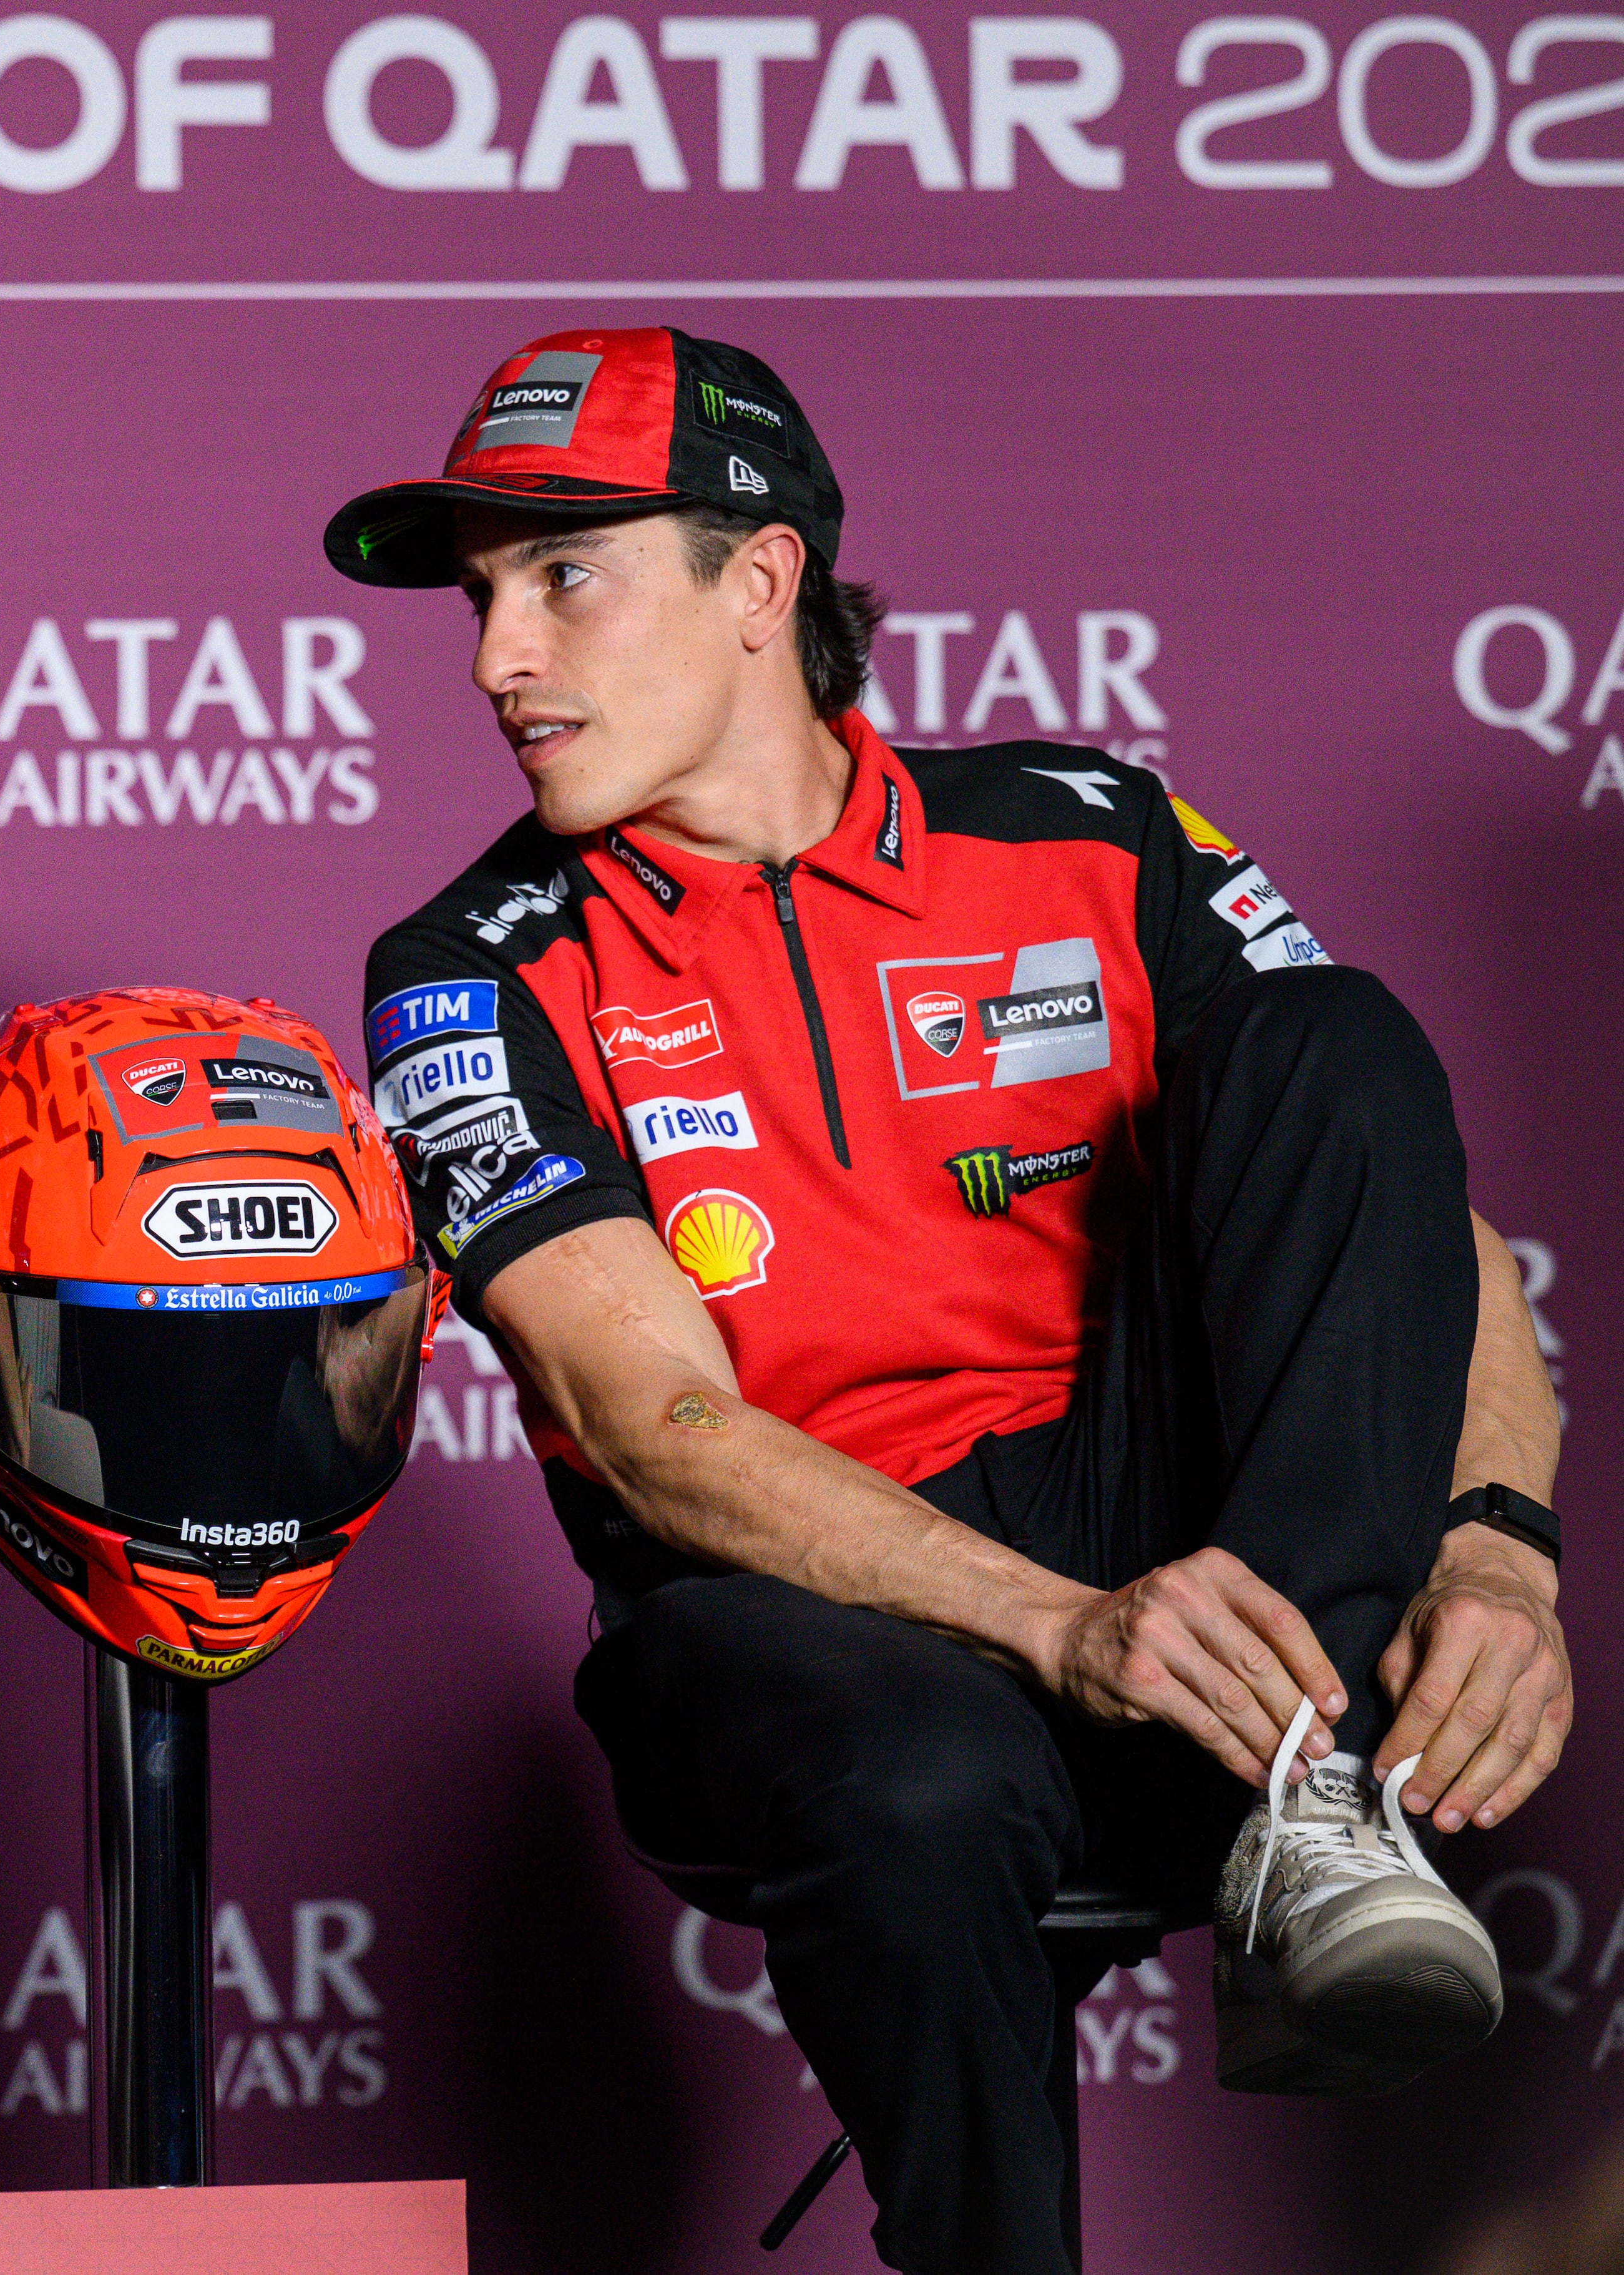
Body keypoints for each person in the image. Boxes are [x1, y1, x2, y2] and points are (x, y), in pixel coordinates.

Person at [328, 327, 1571, 2273]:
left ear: (761, 583)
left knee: (1332, 1040)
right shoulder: (464, 969)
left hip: (1177, 1565)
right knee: (924, 1766)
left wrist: (1497, 1554)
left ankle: (1307, 1814)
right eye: (484, 595)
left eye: (565, 574)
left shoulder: (1097, 831)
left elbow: (1424, 1234)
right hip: (782, 1610)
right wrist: (1063, 1630)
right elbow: (659, 1428)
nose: (498, 656)